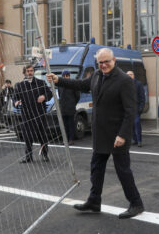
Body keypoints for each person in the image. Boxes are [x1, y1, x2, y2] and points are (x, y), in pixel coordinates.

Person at [49, 48, 144, 219]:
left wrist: (122, 135)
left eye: (106, 61)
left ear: (114, 60)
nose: (104, 65)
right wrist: (58, 80)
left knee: (123, 171)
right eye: (100, 62)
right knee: (96, 169)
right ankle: (94, 201)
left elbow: (130, 111)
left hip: (117, 136)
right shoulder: (96, 76)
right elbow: (79, 84)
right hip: (101, 135)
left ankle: (136, 203)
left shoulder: (124, 80)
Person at [14, 65, 53, 162]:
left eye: (31, 71)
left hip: (40, 114)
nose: (30, 73)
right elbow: (15, 97)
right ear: (24, 73)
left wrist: (44, 97)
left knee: (42, 135)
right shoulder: (20, 85)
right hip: (27, 115)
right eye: (28, 71)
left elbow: (49, 93)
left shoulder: (40, 83)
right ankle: (28, 157)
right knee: (27, 136)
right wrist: (16, 102)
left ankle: (44, 155)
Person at [59, 70, 80, 145]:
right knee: (64, 125)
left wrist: (73, 103)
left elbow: (77, 96)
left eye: (67, 75)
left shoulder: (73, 84)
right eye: (64, 76)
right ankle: (65, 139)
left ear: (69, 76)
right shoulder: (60, 85)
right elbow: (59, 95)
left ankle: (71, 139)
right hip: (63, 107)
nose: (65, 77)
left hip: (70, 107)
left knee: (71, 124)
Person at [127, 71, 145, 147]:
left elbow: (142, 97)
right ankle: (134, 139)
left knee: (137, 123)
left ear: (134, 75)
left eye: (131, 74)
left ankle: (139, 140)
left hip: (136, 108)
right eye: (127, 75)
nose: (129, 76)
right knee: (130, 125)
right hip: (128, 108)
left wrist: (141, 108)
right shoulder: (125, 84)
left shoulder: (138, 84)